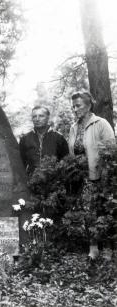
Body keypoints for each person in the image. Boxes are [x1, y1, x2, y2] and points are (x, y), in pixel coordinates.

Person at [69, 91, 115, 260]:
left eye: (78, 105)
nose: (75, 109)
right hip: (82, 178)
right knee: (89, 212)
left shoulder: (101, 123)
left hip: (101, 176)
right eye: (73, 106)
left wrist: (106, 175)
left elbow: (110, 149)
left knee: (104, 210)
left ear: (88, 105)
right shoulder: (74, 127)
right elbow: (72, 153)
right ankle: (93, 248)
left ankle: (108, 249)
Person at [19, 106, 69, 175]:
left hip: (54, 182)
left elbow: (66, 162)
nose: (37, 119)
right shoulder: (25, 139)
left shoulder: (59, 138)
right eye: (34, 116)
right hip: (31, 181)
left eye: (41, 116)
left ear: (48, 117)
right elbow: (21, 164)